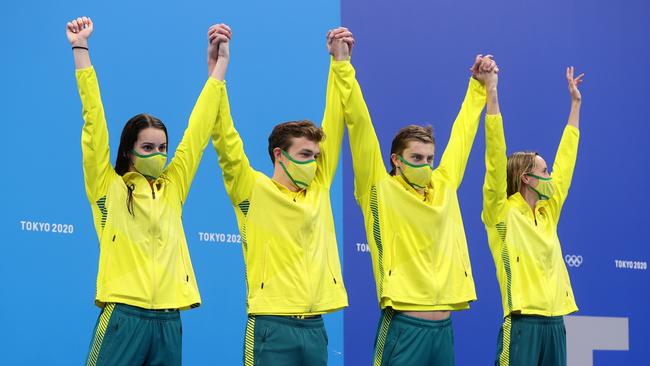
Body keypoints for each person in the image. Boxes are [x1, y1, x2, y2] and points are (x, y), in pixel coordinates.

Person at [67, 16, 231, 365]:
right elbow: (93, 123)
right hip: (123, 316)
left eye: (162, 148)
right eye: (148, 148)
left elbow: (199, 130)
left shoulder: (174, 186)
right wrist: (81, 49)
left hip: (170, 319)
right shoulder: (107, 186)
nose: (158, 155)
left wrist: (218, 69)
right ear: (128, 150)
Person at [337, 42, 498, 364]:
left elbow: (463, 134)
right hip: (404, 327)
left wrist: (478, 88)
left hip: (444, 330)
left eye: (429, 158)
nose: (424, 164)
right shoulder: (378, 189)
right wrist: (343, 66)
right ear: (396, 160)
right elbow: (359, 123)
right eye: (416, 158)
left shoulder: (444, 184)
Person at [210, 27, 354, 365]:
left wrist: (338, 61)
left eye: (316, 156)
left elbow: (335, 120)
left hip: (316, 326)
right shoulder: (252, 189)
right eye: (305, 155)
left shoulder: (318, 188)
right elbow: (224, 136)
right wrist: (217, 72)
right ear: (279, 155)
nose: (314, 163)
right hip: (270, 326)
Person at [482, 66, 584, 366]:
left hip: (555, 323)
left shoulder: (548, 210)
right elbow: (494, 159)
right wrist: (492, 94)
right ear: (526, 178)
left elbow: (566, 164)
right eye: (544, 171)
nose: (551, 176)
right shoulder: (501, 211)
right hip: (522, 323)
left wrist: (575, 105)